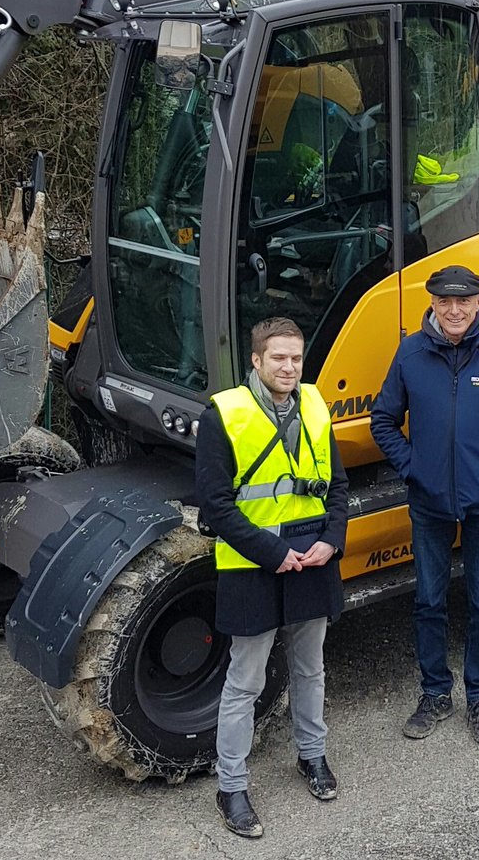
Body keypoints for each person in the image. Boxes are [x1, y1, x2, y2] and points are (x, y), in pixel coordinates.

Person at [370, 265, 479, 744]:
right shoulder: (411, 353)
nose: (454, 310)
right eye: (444, 302)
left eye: (463, 301)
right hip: (428, 501)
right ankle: (434, 693)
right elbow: (383, 420)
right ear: (432, 304)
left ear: (478, 304)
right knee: (429, 601)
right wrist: (413, 467)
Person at [196, 316, 350, 838]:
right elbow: (216, 506)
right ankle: (232, 786)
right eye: (278, 357)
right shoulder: (224, 414)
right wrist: (273, 553)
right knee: (246, 681)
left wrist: (333, 539)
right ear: (256, 360)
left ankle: (312, 755)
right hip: (254, 564)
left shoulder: (316, 404)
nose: (289, 367)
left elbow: (338, 485)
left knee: (311, 669)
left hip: (313, 556)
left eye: (296, 358)